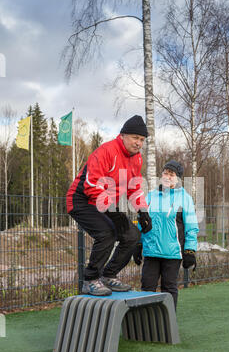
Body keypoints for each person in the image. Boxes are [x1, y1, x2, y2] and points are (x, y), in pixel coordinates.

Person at [67, 115, 152, 296]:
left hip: (105, 205)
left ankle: (109, 275)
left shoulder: (137, 159)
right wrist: (114, 212)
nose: (139, 143)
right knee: (107, 233)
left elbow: (134, 188)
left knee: (132, 235)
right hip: (81, 200)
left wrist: (143, 211)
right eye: (135, 138)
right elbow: (92, 186)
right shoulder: (106, 151)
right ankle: (90, 280)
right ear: (123, 135)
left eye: (142, 140)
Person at [133, 160, 198, 309]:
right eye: (165, 173)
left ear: (178, 178)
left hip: (172, 253)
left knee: (168, 289)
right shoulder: (150, 196)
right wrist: (138, 243)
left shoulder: (185, 198)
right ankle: (147, 322)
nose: (167, 176)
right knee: (147, 289)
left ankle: (167, 325)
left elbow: (192, 227)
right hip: (151, 251)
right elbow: (142, 222)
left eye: (172, 174)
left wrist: (190, 250)